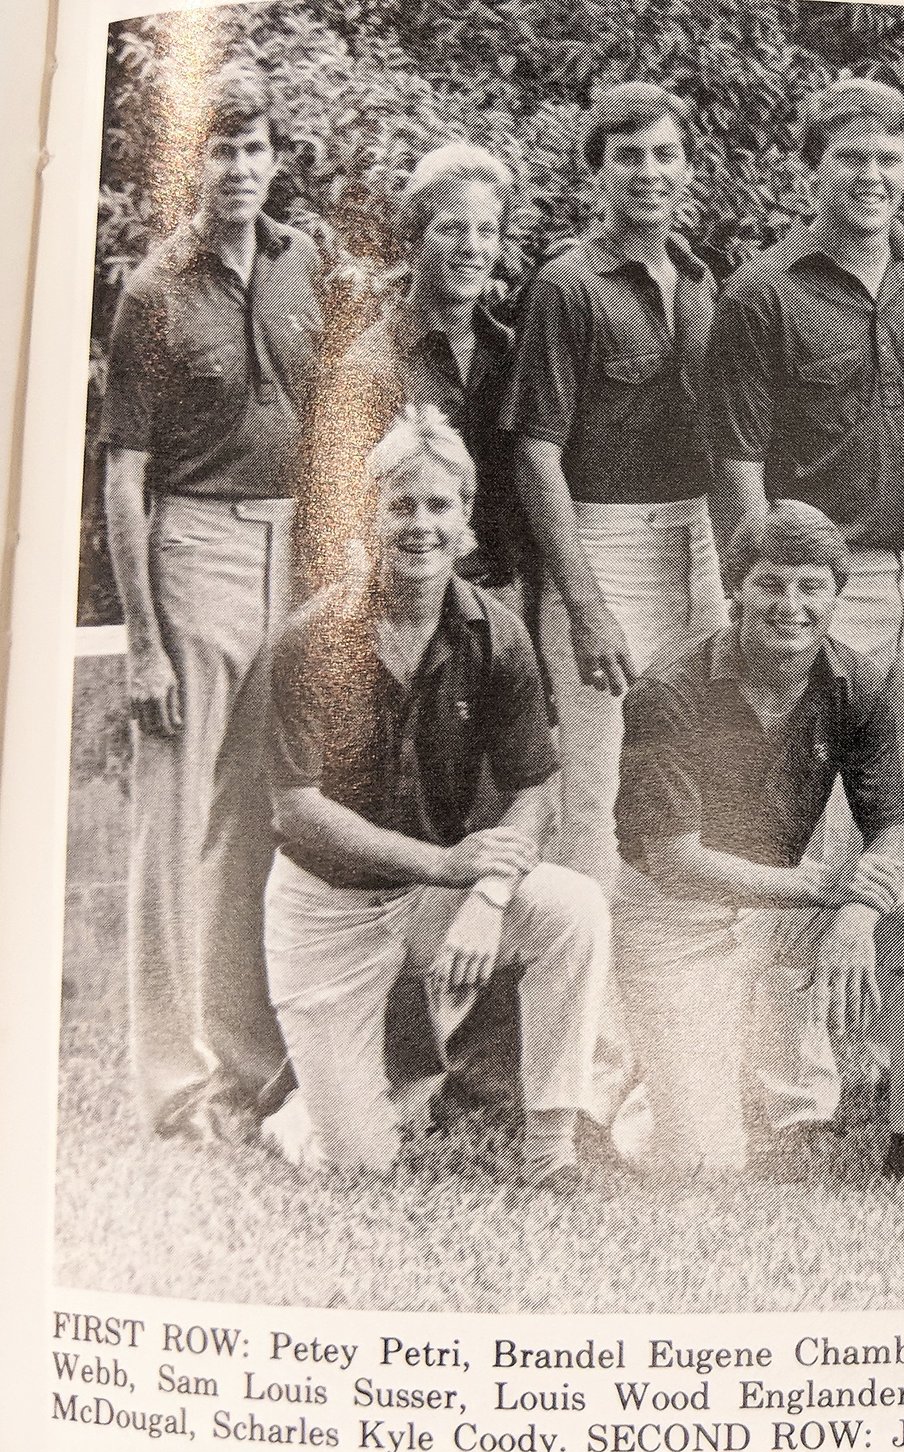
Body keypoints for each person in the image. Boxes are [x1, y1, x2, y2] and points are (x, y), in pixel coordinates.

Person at [259, 408, 605, 1184]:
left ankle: (551, 1154)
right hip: (326, 911)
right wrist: (448, 864)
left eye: (439, 505)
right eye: (401, 505)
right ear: (369, 515)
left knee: (574, 909)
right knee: (360, 1167)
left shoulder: (498, 633)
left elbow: (536, 788)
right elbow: (297, 810)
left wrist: (485, 893)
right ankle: (303, 1117)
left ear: (467, 518)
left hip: (432, 896)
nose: (421, 525)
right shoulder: (311, 639)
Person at [609, 502, 904, 1181]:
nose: (791, 605)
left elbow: (890, 831)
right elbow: (677, 863)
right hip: (674, 916)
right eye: (771, 584)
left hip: (780, 895)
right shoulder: (668, 691)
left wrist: (858, 915)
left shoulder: (857, 682)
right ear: (735, 589)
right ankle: (655, 1099)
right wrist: (827, 889)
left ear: (838, 595)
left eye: (812, 587)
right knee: (703, 1170)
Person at [101, 66, 318, 1139]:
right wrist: (143, 643)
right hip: (193, 551)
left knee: (265, 823)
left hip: (291, 555)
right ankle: (174, 1083)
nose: (238, 168)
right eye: (219, 149)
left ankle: (256, 1067)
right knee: (177, 824)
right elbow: (122, 474)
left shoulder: (301, 262)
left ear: (277, 158)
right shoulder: (152, 289)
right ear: (193, 160)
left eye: (254, 148)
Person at [706, 79, 904, 794]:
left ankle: (893, 910)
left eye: (889, 159)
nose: (873, 177)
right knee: (813, 791)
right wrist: (764, 595)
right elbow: (738, 463)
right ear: (814, 169)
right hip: (826, 581)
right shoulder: (760, 292)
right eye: (851, 158)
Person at [503, 81, 727, 893]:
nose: (648, 172)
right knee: (594, 787)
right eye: (627, 156)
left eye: (666, 154)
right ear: (595, 169)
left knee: (685, 776)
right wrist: (586, 603)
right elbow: (535, 457)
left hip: (696, 544)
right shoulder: (567, 286)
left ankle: (666, 984)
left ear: (689, 167)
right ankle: (590, 1009)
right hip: (605, 547)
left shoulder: (703, 280)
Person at [332, 143, 527, 607]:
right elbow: (345, 519)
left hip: (506, 606)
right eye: (452, 229)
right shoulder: (370, 366)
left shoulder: (511, 352)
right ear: (416, 238)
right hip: (413, 602)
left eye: (486, 232)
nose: (472, 249)